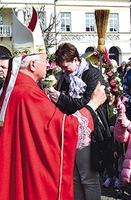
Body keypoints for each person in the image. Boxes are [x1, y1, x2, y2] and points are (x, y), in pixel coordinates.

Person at [0, 53, 107, 200]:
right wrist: (93, 104)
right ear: (32, 65)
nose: (48, 65)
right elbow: (63, 128)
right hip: (31, 171)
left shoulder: (14, 88)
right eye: (45, 61)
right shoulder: (28, 93)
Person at [48, 42, 111, 200]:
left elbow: (89, 104)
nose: (63, 71)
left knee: (88, 179)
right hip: (71, 130)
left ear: (76, 60)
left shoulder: (92, 74)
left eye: (66, 67)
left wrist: (61, 99)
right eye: (61, 68)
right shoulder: (65, 77)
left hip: (89, 133)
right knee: (74, 177)